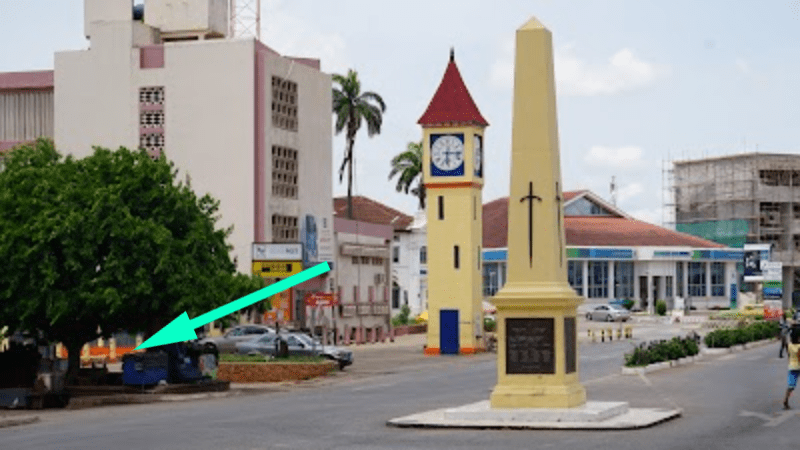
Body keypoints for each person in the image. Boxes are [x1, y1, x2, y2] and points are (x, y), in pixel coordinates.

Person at [784, 327, 800, 410]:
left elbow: (789, 355)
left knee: (791, 386)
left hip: (791, 366)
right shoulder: (799, 346)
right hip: (798, 366)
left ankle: (786, 400)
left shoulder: (789, 346)